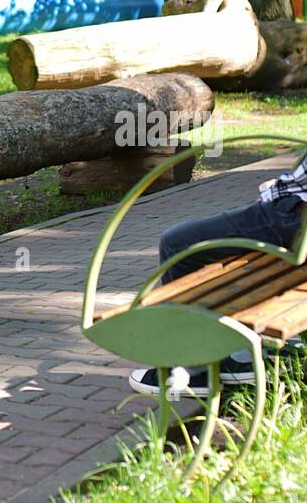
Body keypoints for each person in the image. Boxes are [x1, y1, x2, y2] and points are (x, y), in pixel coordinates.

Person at [129, 163, 307, 397]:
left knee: (177, 243)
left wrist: (276, 192)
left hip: (295, 216)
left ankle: (191, 369)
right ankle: (236, 354)